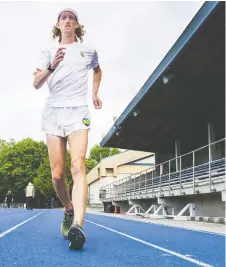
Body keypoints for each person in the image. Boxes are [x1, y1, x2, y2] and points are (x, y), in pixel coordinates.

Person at [33, 8, 102, 250]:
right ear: (58, 25)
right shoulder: (47, 52)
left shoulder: (88, 51)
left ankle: (78, 226)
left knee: (78, 165)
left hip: (78, 113)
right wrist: (52, 66)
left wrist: (94, 93)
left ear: (77, 25)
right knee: (58, 175)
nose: (68, 21)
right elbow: (36, 83)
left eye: (71, 18)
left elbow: (97, 70)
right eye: (64, 18)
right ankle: (68, 208)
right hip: (53, 113)